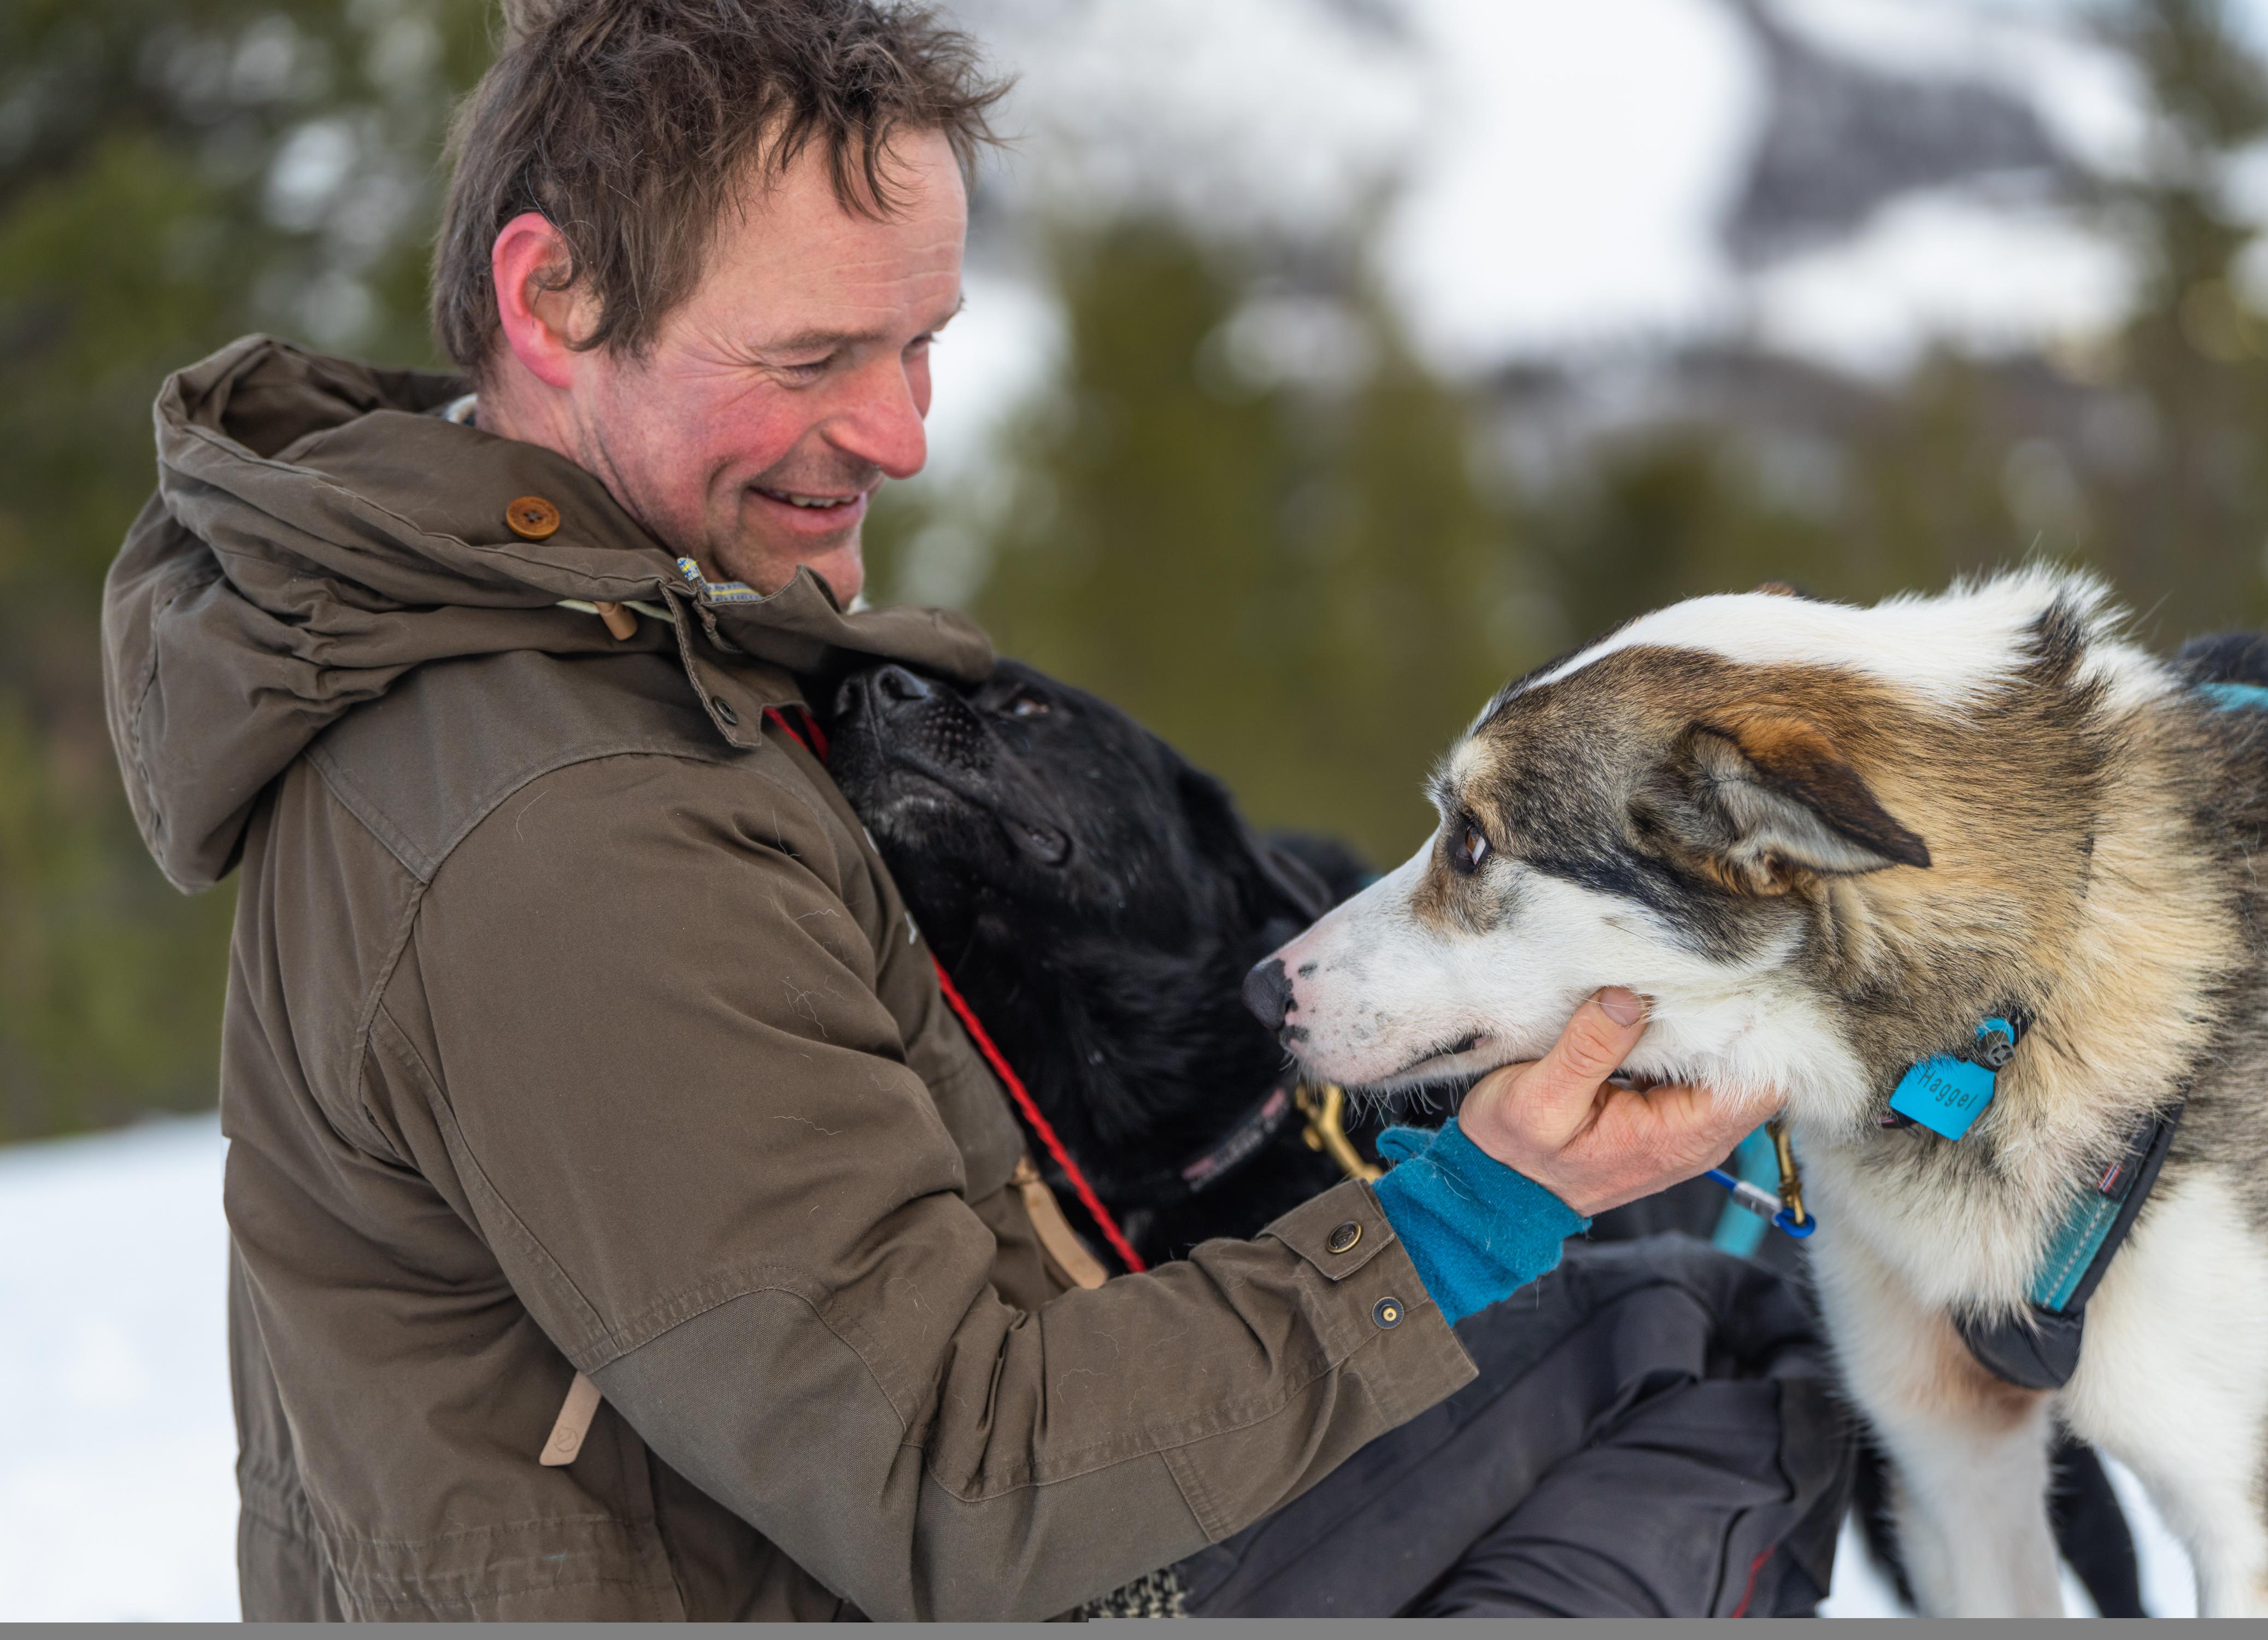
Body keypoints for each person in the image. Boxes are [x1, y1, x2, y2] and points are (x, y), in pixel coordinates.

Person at [102, 0, 1845, 1619]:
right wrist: (1465, 1216)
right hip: (889, 1565)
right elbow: (955, 1481)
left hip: (770, 1545)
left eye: (921, 343)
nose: (899, 433)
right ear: (553, 300)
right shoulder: (567, 831)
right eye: (812, 355)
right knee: (1701, 1358)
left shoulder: (591, 647)